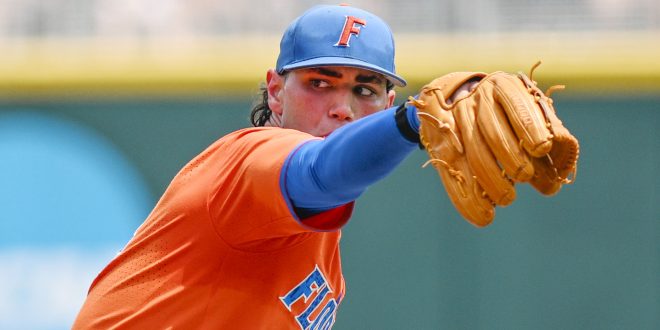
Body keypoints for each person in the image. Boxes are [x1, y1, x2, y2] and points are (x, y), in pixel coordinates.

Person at [73, 4, 470, 329]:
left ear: (384, 105)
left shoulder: (323, 252)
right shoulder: (249, 162)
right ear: (277, 92)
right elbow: (320, 173)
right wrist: (413, 121)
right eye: (320, 83)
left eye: (364, 90)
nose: (343, 109)